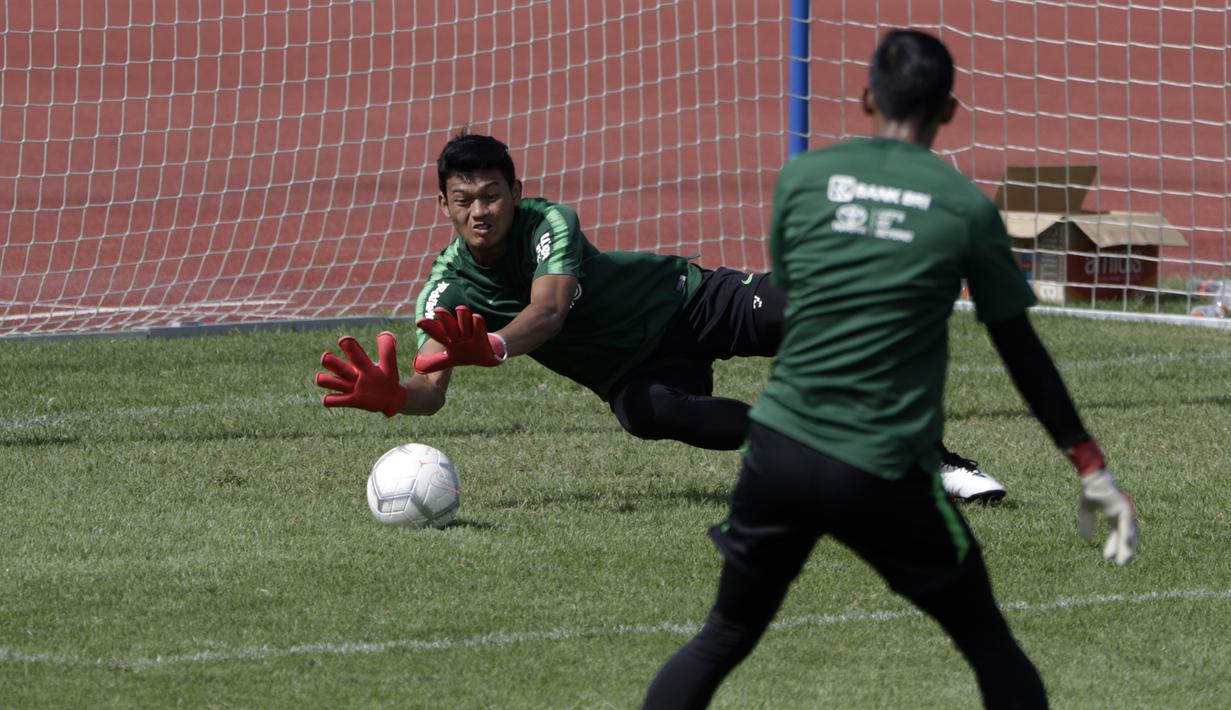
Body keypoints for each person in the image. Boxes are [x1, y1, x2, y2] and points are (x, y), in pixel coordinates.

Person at [640, 29, 1138, 710]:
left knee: (721, 635)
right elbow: (1019, 349)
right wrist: (1089, 463)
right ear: (949, 111)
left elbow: (796, 290)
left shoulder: (802, 178)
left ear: (865, 97)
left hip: (777, 448)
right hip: (877, 462)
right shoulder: (963, 206)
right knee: (987, 641)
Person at [314, 131, 1006, 502]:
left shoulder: (549, 221)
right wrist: (396, 398)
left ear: (515, 192)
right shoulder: (444, 292)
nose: (479, 211)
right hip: (635, 370)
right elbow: (431, 392)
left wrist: (492, 345)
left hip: (687, 300)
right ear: (443, 205)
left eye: (492, 194)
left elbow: (548, 313)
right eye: (462, 198)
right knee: (646, 414)